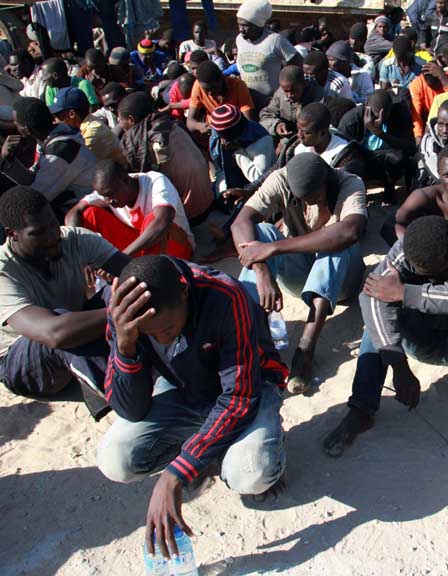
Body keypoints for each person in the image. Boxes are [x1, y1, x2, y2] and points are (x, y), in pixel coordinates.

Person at [96, 255, 288, 558]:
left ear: (184, 291)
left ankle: (261, 443)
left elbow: (239, 396)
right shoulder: (124, 311)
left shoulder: (225, 296)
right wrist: (126, 345)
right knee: (116, 459)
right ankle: (208, 449)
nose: (162, 338)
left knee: (251, 474)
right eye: (152, 335)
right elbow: (129, 409)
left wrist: (176, 473)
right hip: (183, 387)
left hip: (250, 384)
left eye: (168, 327)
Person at [322, 215, 448, 475]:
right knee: (375, 319)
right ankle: (361, 410)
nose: (432, 279)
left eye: (438, 273)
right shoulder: (406, 250)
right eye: (425, 275)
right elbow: (371, 297)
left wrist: (405, 293)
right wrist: (399, 367)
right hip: (422, 337)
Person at [232, 153, 367, 395]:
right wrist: (261, 270)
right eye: (301, 198)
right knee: (262, 230)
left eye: (313, 197)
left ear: (326, 182)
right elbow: (241, 221)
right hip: (303, 274)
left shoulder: (350, 182)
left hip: (344, 280)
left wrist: (274, 248)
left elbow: (350, 231)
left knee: (335, 243)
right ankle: (246, 334)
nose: (307, 203)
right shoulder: (281, 179)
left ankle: (305, 350)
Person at [0, 186, 129, 419]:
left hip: (72, 324)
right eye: (38, 232)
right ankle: (123, 401)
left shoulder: (72, 239)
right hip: (22, 362)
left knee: (118, 291)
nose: (52, 235)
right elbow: (53, 334)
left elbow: (133, 272)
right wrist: (119, 311)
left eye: (53, 224)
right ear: (13, 234)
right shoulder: (3, 272)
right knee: (63, 324)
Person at [66, 160, 194, 259]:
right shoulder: (109, 190)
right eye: (105, 197)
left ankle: (145, 271)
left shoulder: (156, 182)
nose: (109, 201)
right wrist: (79, 253)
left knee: (153, 219)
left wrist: (122, 256)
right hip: (139, 248)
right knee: (89, 214)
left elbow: (163, 221)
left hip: (175, 247)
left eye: (111, 195)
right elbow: (74, 212)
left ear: (125, 180)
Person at [118, 92, 214, 223]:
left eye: (120, 120)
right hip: (208, 199)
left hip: (190, 214)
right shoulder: (173, 124)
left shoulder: (140, 140)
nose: (120, 125)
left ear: (131, 119)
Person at [1, 97, 95, 208]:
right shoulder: (50, 137)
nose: (14, 125)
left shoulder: (61, 150)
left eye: (15, 123)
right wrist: (8, 160)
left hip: (86, 206)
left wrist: (4, 161)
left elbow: (36, 195)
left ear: (26, 130)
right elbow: (34, 176)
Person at [338, 89, 416, 204]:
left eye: (385, 114)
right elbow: (342, 153)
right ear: (366, 105)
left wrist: (380, 133)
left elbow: (411, 147)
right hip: (360, 157)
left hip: (387, 158)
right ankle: (358, 195)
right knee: (350, 166)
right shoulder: (351, 120)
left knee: (398, 157)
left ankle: (389, 190)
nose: (380, 119)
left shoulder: (399, 113)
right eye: (375, 114)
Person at [235, 0, 302, 109]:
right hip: (246, 102)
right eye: (239, 25)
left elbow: (297, 63)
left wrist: (284, 91)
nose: (241, 30)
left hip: (270, 104)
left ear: (258, 25)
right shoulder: (239, 39)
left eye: (245, 25)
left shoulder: (275, 40)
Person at [48, 86, 126, 165]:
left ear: (72, 114)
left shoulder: (91, 132)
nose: (55, 120)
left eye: (58, 115)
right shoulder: (86, 124)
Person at [259, 65, 325, 143]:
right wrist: (276, 126)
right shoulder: (280, 94)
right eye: (286, 91)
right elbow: (266, 115)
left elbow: (319, 127)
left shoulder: (318, 95)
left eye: (294, 90)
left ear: (303, 84)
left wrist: (287, 143)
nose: (289, 95)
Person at [187, 61, 256, 136]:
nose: (209, 93)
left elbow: (248, 121)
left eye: (212, 88)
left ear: (221, 79)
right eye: (206, 90)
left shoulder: (238, 86)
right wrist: (200, 126)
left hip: (236, 132)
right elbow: (190, 122)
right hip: (212, 132)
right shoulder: (198, 86)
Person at [409, 43, 448, 141]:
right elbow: (416, 115)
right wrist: (418, 137)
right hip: (427, 119)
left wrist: (443, 78)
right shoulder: (417, 84)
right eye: (430, 85)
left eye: (436, 84)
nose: (434, 88)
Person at [327, 40, 373, 104]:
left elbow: (368, 101)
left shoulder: (363, 76)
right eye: (328, 60)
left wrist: (351, 95)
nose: (328, 64)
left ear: (344, 62)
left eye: (331, 60)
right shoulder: (329, 75)